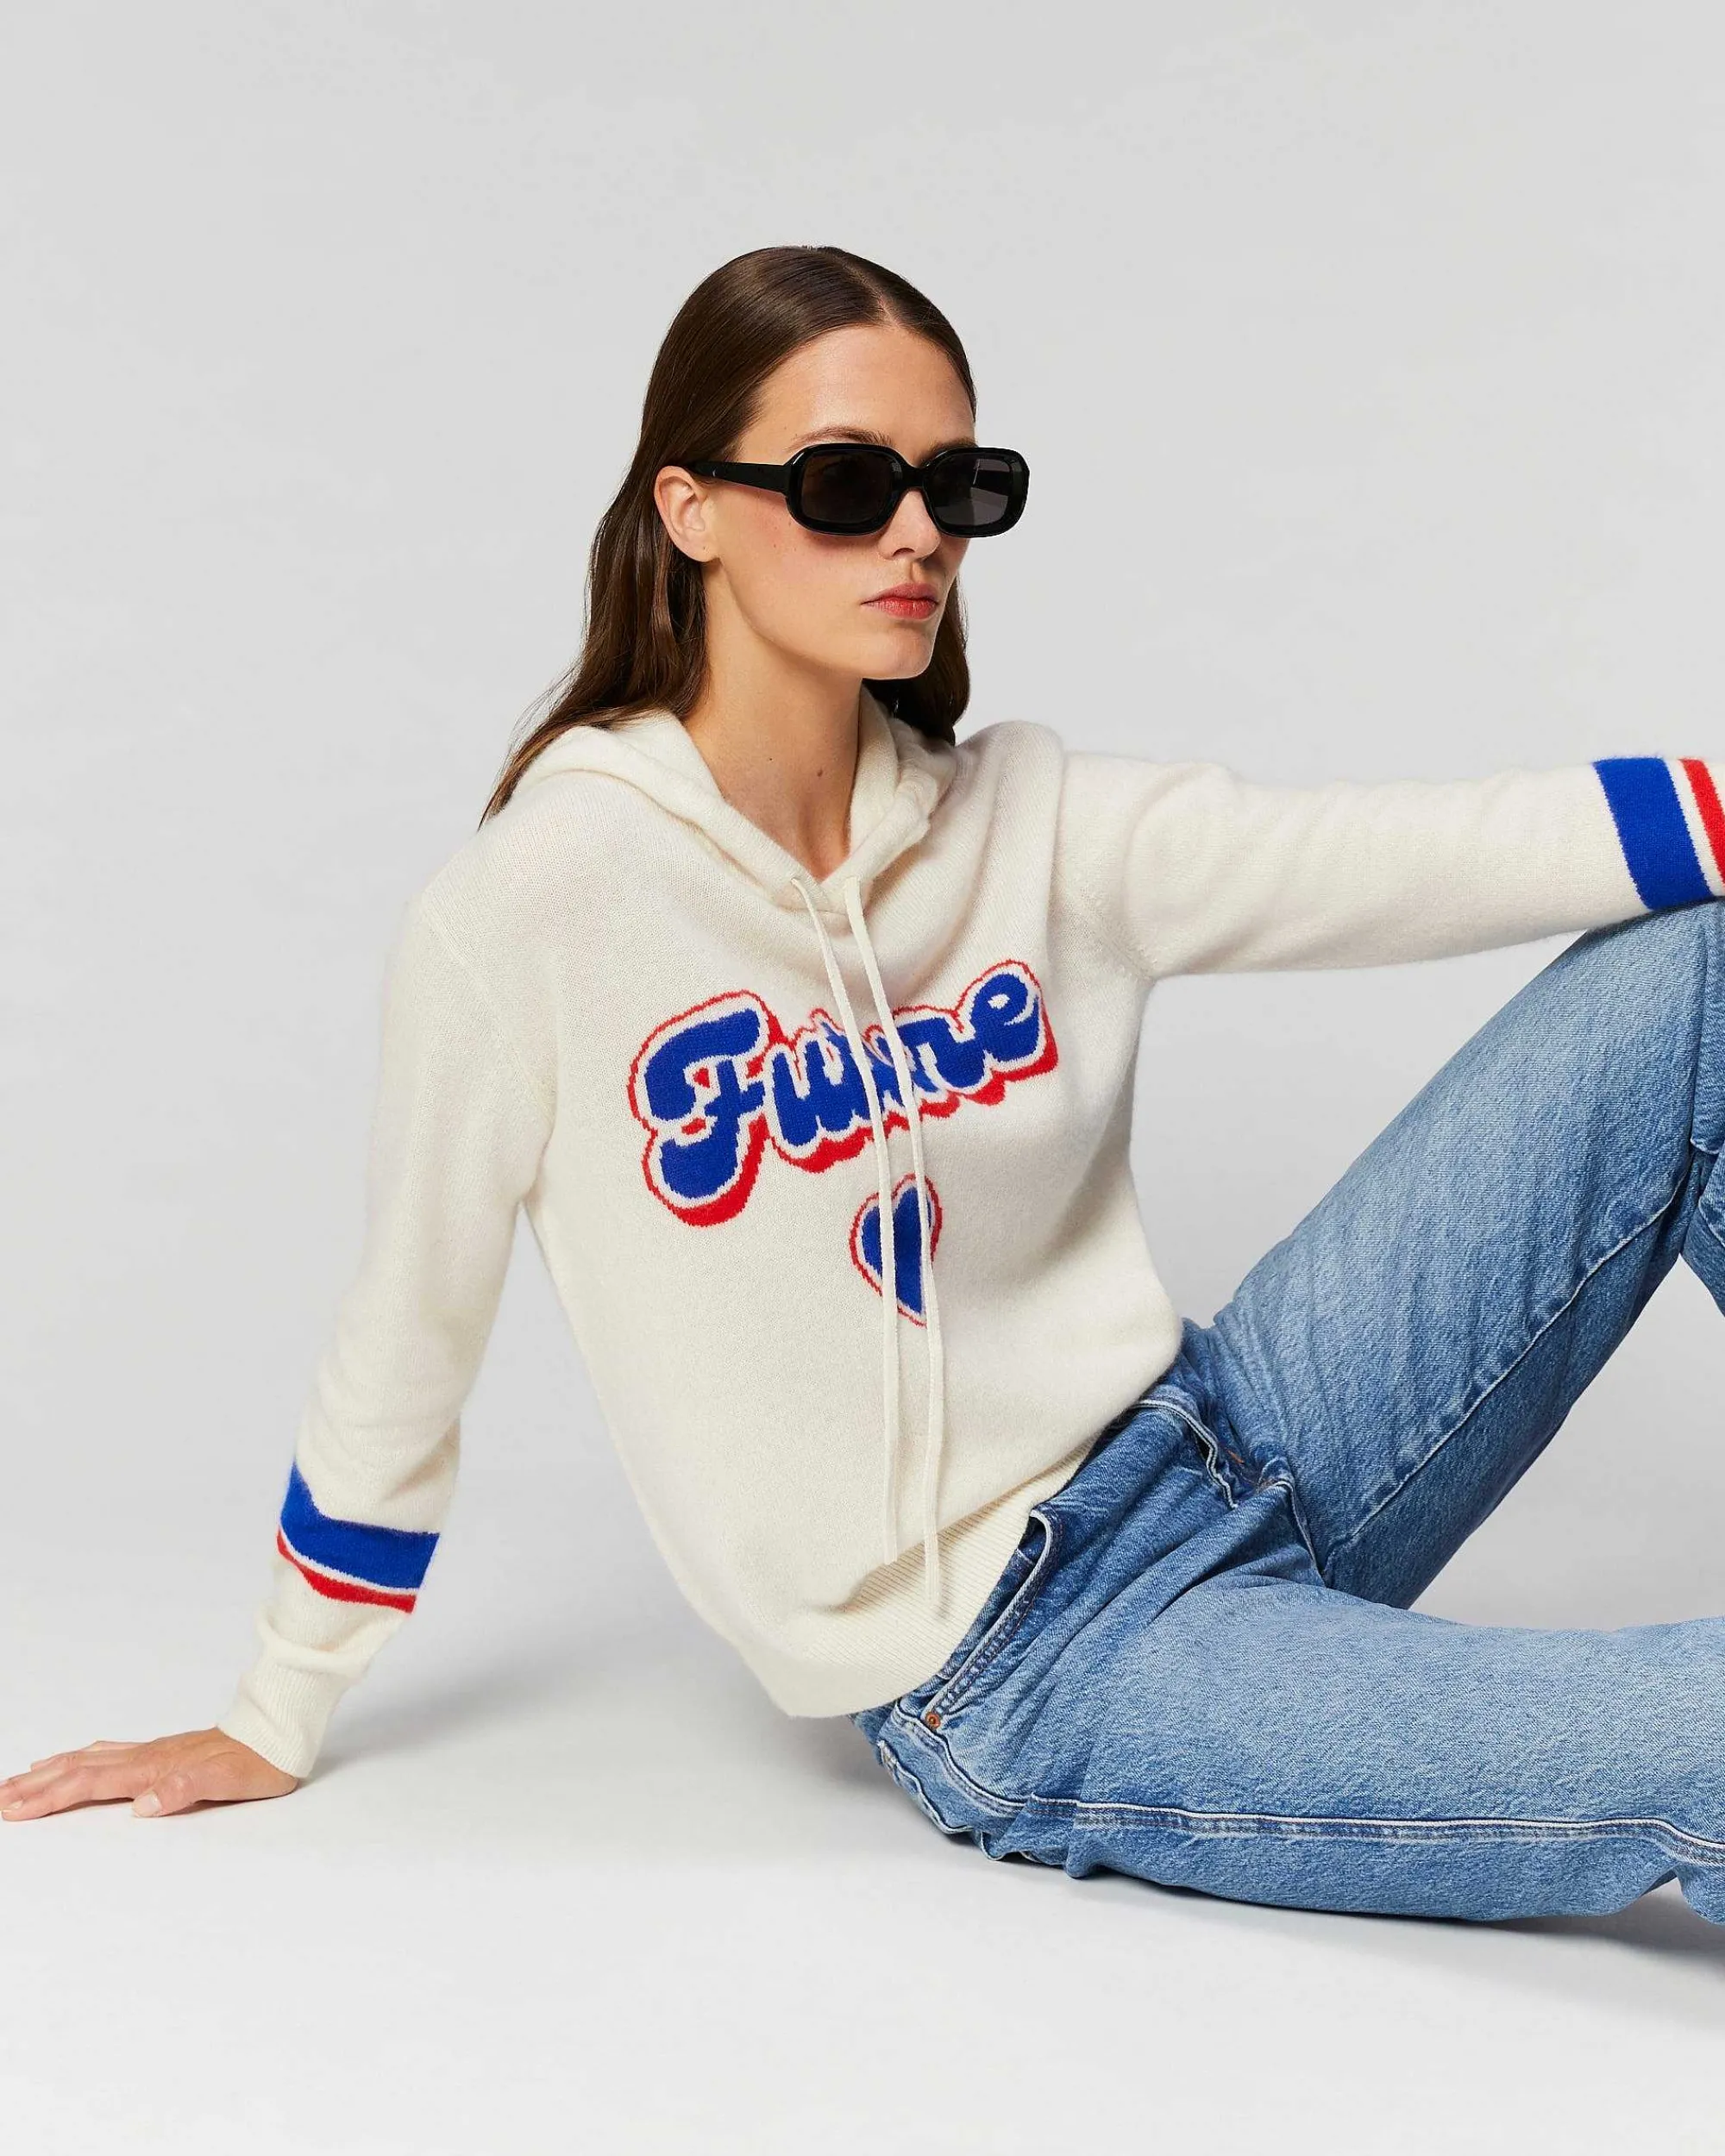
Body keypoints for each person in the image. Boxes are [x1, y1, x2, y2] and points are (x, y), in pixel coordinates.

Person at [6, 244, 1724, 1930]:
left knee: (1701, 971)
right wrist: (278, 1699)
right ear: (690, 508)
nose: (916, 534)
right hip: (1046, 1655)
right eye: (847, 482)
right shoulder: (533, 911)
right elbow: (407, 1331)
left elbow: (1432, 849)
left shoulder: (1030, 823)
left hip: (1247, 1431)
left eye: (956, 486)